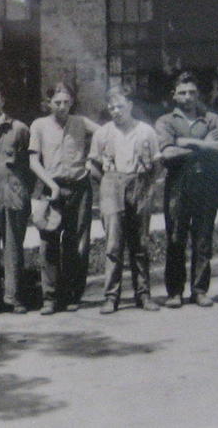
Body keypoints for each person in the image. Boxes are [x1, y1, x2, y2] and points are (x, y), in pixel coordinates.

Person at [0, 79, 55, 316]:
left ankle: (14, 298)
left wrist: (22, 188)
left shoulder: (19, 129)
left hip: (12, 196)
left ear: (3, 100)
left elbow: (30, 163)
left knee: (13, 248)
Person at [155, 71, 218, 308]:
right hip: (178, 185)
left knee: (203, 239)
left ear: (198, 94)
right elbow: (167, 153)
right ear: (174, 95)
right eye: (183, 92)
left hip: (206, 184)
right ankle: (174, 292)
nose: (188, 97)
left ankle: (200, 290)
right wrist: (206, 146)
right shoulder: (165, 121)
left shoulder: (211, 119)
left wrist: (190, 143)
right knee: (176, 238)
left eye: (192, 92)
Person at [27, 83, 101, 314]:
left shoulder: (80, 122)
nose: (62, 107)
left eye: (66, 102)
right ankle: (50, 297)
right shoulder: (39, 125)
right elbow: (33, 162)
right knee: (48, 242)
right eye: (57, 102)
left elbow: (106, 134)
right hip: (51, 188)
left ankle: (72, 295)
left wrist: (92, 160)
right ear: (48, 103)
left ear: (72, 102)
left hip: (79, 187)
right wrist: (51, 185)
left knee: (76, 243)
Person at [88, 87, 162, 314]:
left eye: (120, 106)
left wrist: (147, 186)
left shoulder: (145, 131)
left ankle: (143, 294)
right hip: (112, 184)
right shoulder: (102, 133)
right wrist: (108, 183)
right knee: (113, 245)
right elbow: (93, 165)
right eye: (111, 107)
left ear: (130, 106)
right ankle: (111, 297)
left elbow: (157, 164)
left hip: (139, 184)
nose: (116, 111)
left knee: (140, 244)